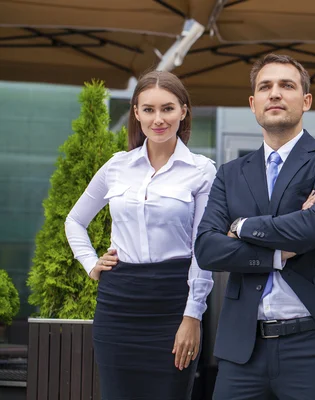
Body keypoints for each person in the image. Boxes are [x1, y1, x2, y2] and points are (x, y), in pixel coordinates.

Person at [194, 53, 315, 400]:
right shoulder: (230, 173)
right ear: (253, 104)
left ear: (306, 100)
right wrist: (276, 255)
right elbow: (207, 249)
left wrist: (242, 225)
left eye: (286, 86)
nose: (275, 93)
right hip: (242, 350)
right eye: (265, 87)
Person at [65, 70, 216, 400]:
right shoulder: (117, 166)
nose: (158, 119)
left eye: (167, 108)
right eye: (148, 109)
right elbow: (74, 221)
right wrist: (91, 262)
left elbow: (202, 248)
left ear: (183, 111)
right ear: (136, 113)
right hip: (118, 302)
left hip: (173, 301)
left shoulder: (202, 170)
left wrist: (193, 315)